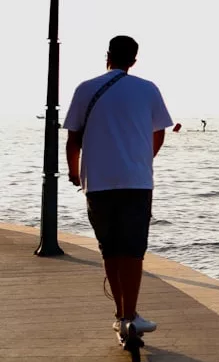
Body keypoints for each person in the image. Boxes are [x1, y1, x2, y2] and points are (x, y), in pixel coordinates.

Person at [63, 35, 172, 340]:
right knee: (133, 250)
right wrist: (141, 159)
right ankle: (132, 316)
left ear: (107, 55)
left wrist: (74, 172)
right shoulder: (147, 89)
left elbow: (73, 138)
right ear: (134, 60)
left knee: (110, 249)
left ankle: (120, 316)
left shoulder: (85, 88)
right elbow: (159, 131)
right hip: (136, 182)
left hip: (97, 182)